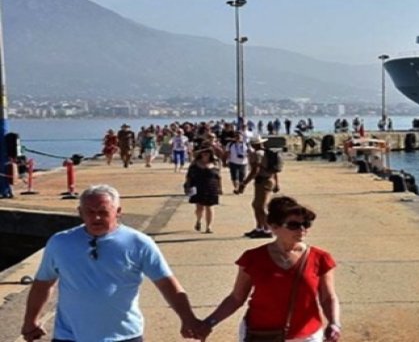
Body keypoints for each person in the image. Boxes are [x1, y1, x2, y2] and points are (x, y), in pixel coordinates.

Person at [19, 184, 209, 341]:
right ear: (80, 212)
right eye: (90, 212)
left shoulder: (138, 242)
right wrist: (30, 321)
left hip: (124, 336)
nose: (96, 218)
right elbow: (43, 284)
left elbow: (167, 284)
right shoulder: (60, 242)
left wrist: (188, 319)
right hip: (70, 336)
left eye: (103, 212)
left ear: (118, 212)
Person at [201, 197, 341, 342]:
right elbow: (236, 298)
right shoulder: (253, 258)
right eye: (294, 225)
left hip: (306, 335)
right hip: (260, 334)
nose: (302, 229)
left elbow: (328, 297)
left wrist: (334, 323)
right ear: (274, 227)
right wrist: (209, 322)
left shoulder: (321, 258)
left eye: (306, 224)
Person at [238, 136, 278, 238]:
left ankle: (267, 229)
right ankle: (260, 228)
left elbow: (255, 170)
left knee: (261, 206)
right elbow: (274, 171)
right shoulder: (267, 153)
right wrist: (277, 183)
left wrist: (244, 183)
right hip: (268, 180)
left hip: (263, 181)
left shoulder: (257, 154)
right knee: (256, 205)